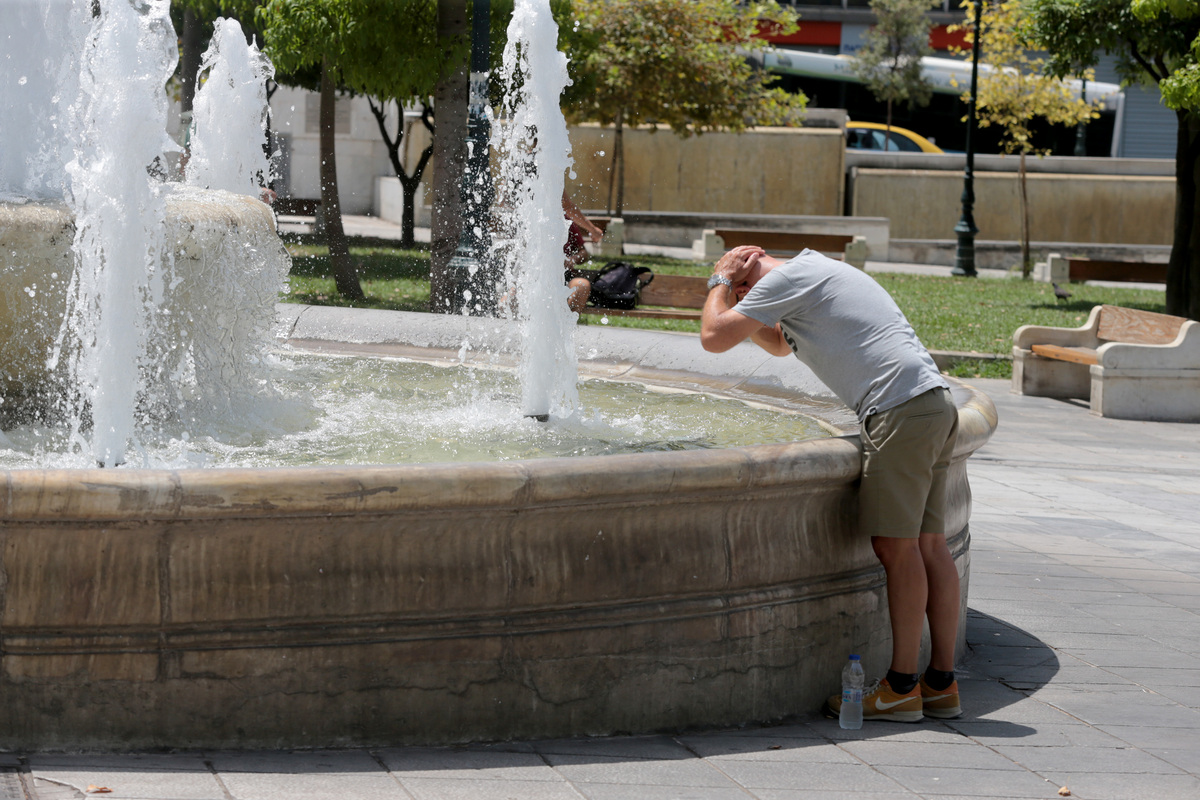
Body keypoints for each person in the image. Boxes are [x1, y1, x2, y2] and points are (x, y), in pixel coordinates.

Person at [700, 244, 962, 723]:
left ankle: (902, 687)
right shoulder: (812, 271)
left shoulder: (783, 279)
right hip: (931, 402)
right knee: (930, 545)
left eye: (742, 291)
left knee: (896, 548)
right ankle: (941, 685)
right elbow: (779, 344)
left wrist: (718, 283)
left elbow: (713, 337)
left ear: (746, 277)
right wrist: (746, 305)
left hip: (897, 410)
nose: (741, 299)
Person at [561, 191, 604, 313]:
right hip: (535, 277)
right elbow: (567, 204)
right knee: (512, 294)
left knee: (582, 285)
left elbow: (584, 253)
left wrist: (572, 259)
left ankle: (563, 321)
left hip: (563, 277)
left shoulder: (566, 221)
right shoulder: (530, 223)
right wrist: (592, 230)